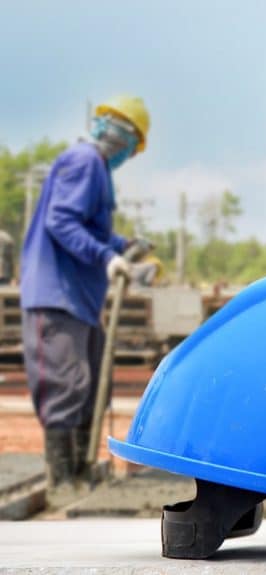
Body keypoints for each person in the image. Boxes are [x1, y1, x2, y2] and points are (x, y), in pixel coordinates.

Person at [19, 94, 150, 494]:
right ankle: (63, 480)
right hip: (57, 294)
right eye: (129, 141)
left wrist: (122, 246)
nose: (126, 150)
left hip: (79, 298)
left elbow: (87, 228)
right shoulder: (84, 161)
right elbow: (62, 220)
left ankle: (77, 471)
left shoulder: (95, 170)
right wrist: (105, 255)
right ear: (119, 136)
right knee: (68, 385)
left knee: (90, 387)